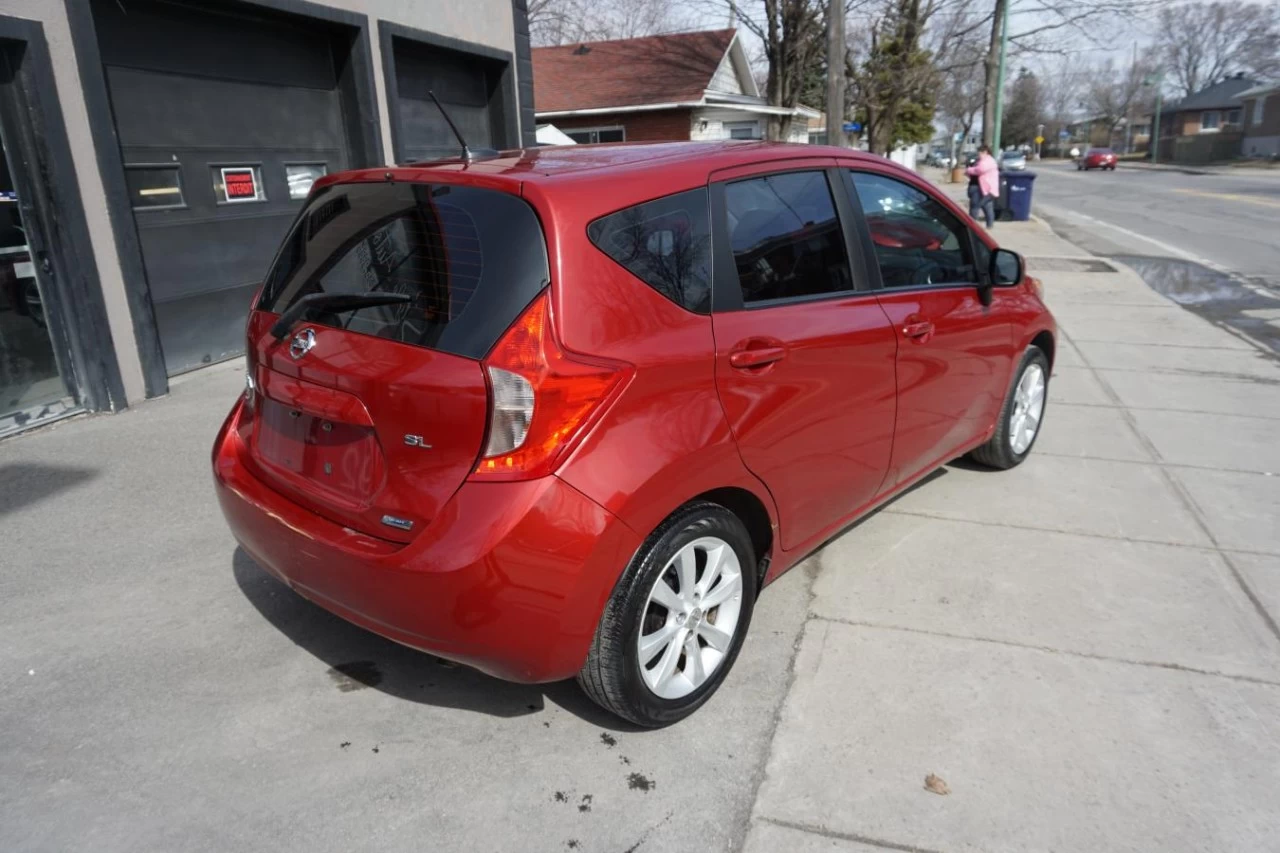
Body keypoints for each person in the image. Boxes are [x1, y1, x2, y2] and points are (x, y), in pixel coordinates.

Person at [966, 145, 999, 228]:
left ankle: (972, 225)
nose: (979, 155)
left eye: (980, 153)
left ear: (985, 152)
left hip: (985, 188)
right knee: (987, 206)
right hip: (986, 188)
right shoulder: (984, 160)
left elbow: (980, 169)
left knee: (976, 206)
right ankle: (990, 225)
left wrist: (969, 170)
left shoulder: (987, 161)